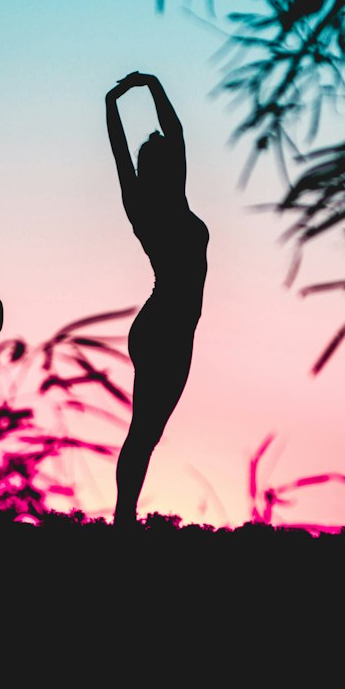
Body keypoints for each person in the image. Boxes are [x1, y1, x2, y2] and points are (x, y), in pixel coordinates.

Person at [105, 71, 209, 528]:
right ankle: (123, 518)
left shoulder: (152, 201)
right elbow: (124, 152)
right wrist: (140, 88)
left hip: (165, 328)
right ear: (165, 167)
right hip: (166, 325)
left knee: (146, 433)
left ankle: (124, 515)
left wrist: (127, 94)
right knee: (144, 432)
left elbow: (170, 138)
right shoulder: (156, 203)